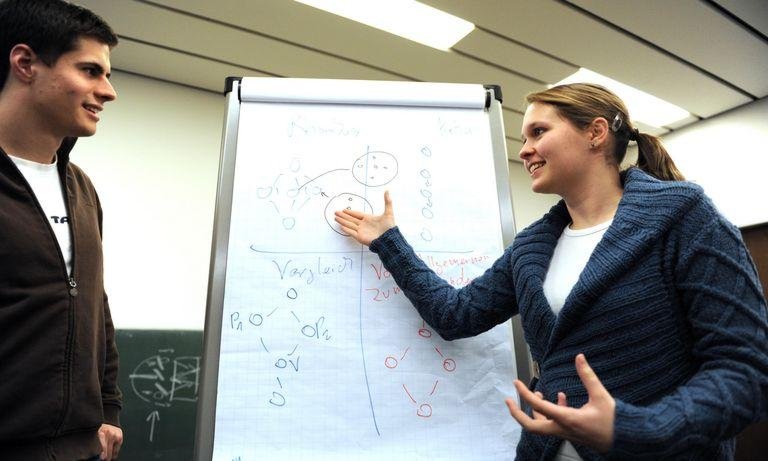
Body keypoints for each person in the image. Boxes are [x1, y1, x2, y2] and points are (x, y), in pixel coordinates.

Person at [335, 83, 768, 460]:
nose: (523, 149)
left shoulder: (683, 216)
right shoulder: (531, 246)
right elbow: (456, 314)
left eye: (538, 132)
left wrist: (636, 426)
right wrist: (388, 241)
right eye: (523, 137)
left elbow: (746, 368)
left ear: (596, 133)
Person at [0, 0, 123, 459]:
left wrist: (108, 409)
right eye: (91, 71)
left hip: (81, 448)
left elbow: (94, 301)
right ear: (26, 63)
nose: (108, 91)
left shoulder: (81, 189)